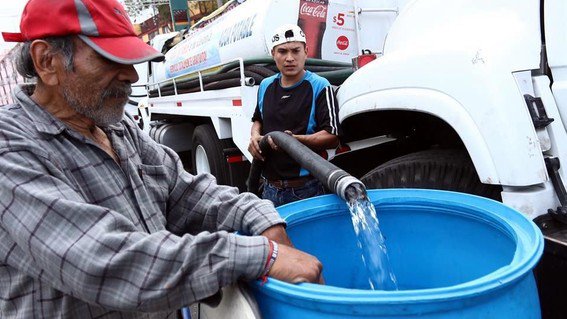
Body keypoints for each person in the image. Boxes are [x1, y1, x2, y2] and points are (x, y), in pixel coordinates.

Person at [0, 0, 323, 318]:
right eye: (109, 60)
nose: (130, 75)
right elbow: (102, 262)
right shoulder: (12, 147)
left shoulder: (117, 127)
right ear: (46, 61)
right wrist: (260, 255)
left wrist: (260, 217)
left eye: (129, 61)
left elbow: (186, 192)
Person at [248, 24, 341, 207]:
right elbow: (258, 119)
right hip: (269, 190)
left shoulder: (320, 86)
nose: (289, 58)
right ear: (273, 54)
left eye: (295, 51)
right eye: (282, 51)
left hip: (306, 189)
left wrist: (292, 141)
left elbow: (332, 137)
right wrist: (254, 136)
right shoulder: (266, 86)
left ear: (306, 52)